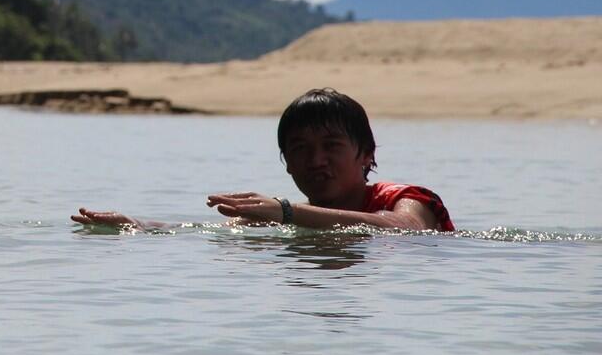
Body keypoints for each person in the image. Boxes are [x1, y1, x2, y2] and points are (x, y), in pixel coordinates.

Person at [73, 87, 454, 232]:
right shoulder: (289, 214)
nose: (316, 160)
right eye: (300, 149)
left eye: (331, 145)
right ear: (286, 163)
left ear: (366, 155)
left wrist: (286, 212)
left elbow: (406, 230)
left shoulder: (407, 199)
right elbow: (197, 231)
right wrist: (136, 224)